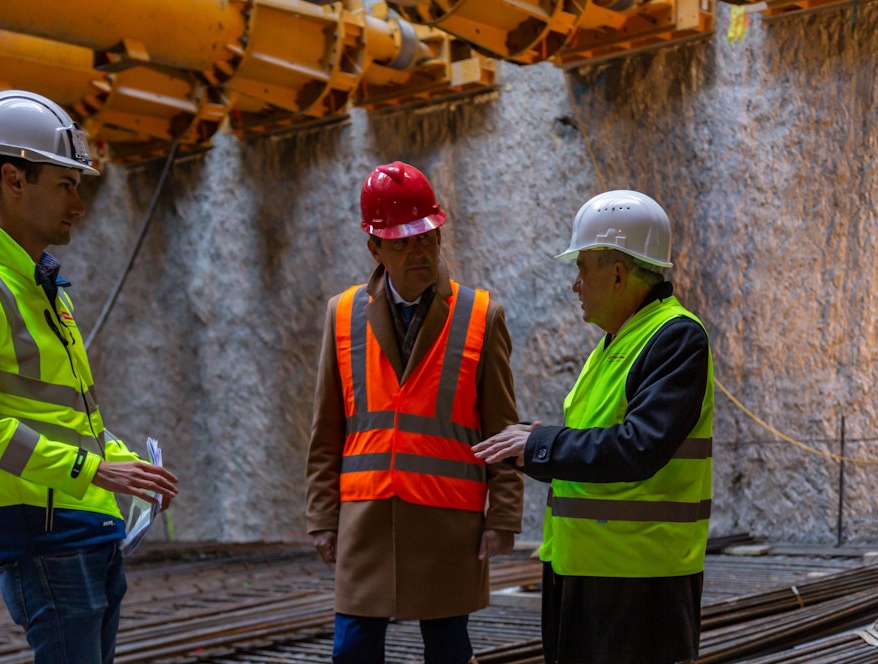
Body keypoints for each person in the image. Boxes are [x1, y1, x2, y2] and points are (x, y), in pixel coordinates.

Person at [0, 89, 179, 664]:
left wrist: (125, 465)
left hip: (87, 524)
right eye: (65, 184)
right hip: (45, 532)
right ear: (13, 178)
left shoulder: (44, 287)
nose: (78, 205)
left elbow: (64, 415)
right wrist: (90, 469)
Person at [473, 190, 713, 664]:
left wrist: (541, 444)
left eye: (582, 269)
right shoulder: (616, 344)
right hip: (585, 569)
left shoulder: (676, 338)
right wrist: (531, 447)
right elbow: (592, 447)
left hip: (640, 583)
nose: (576, 285)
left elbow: (638, 447)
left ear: (619, 273)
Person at [305, 161, 524, 664]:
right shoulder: (342, 315)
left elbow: (502, 427)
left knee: (448, 651)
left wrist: (504, 515)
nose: (418, 251)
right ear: (374, 248)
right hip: (365, 524)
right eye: (401, 243)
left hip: (448, 526)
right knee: (353, 651)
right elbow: (326, 429)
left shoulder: (480, 316)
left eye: (426, 237)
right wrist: (322, 515)